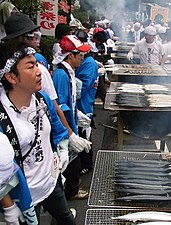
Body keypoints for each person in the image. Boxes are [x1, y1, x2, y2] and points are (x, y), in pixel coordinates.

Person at [0, 42, 75, 224]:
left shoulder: (43, 100)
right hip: (24, 194)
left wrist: (63, 148)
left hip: (49, 181)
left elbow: (58, 130)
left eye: (37, 64)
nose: (39, 71)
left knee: (66, 219)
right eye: (30, 66)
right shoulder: (3, 115)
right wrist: (8, 205)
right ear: (11, 77)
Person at [52, 35, 92, 200]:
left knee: (73, 161)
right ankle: (70, 193)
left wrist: (78, 115)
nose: (83, 58)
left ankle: (71, 189)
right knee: (70, 163)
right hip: (64, 128)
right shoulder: (61, 75)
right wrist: (70, 133)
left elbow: (70, 103)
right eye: (80, 55)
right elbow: (60, 107)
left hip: (70, 124)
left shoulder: (68, 72)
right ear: (71, 55)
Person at [74, 30, 99, 175]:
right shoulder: (86, 62)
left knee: (84, 137)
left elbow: (81, 88)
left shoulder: (88, 64)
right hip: (80, 104)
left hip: (83, 104)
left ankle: (86, 165)